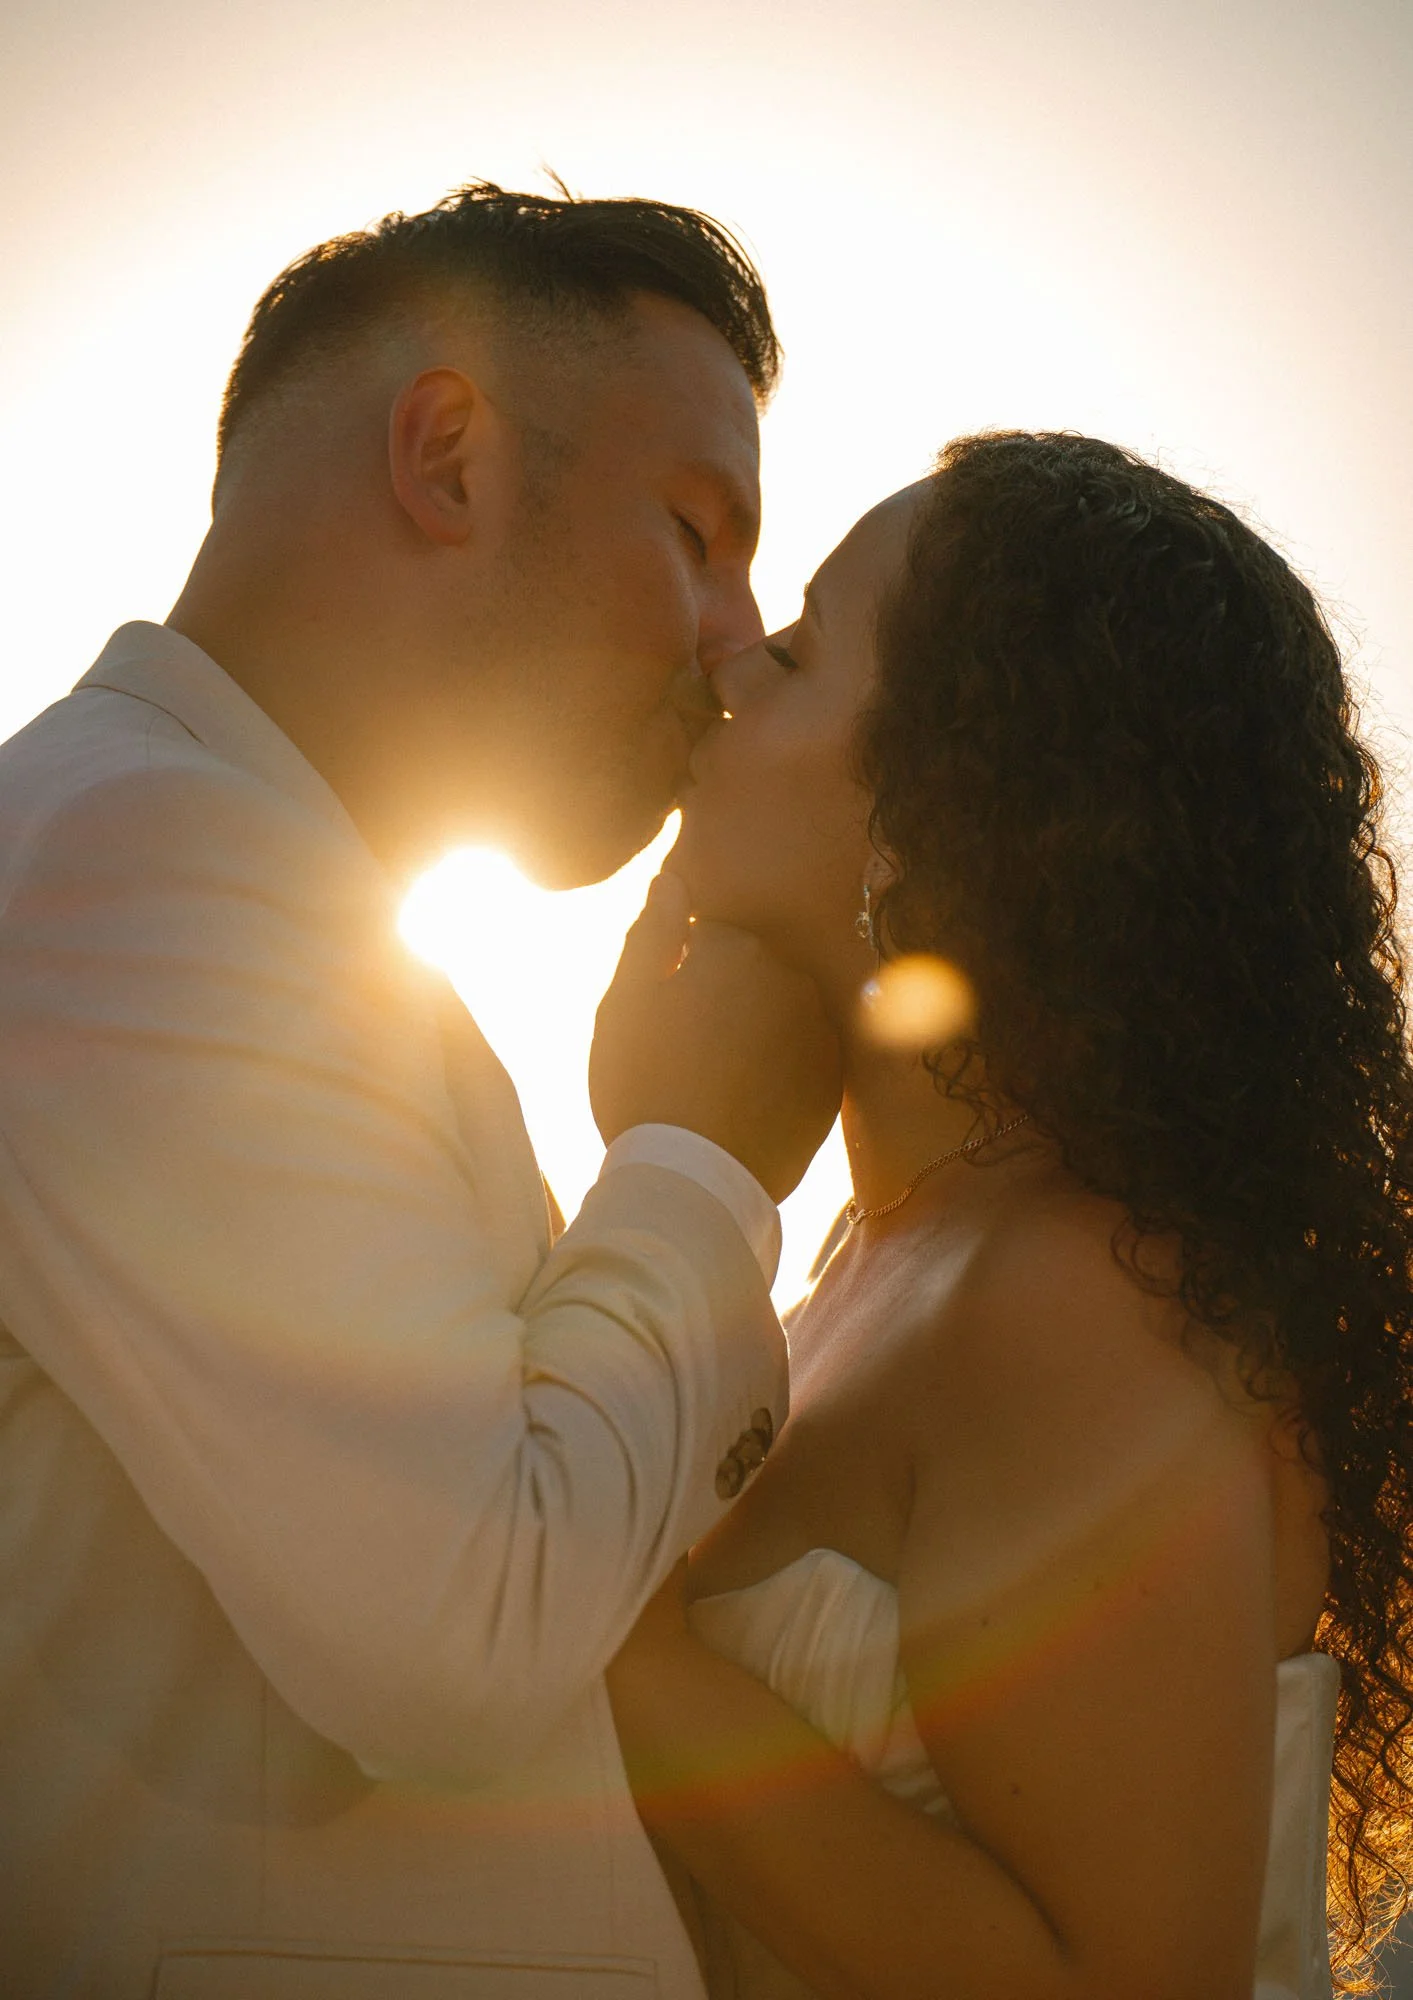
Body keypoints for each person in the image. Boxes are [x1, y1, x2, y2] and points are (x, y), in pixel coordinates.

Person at [0, 183, 841, 1998]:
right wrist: (699, 1159)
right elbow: (460, 1638)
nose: (729, 638)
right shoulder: (135, 859)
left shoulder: (273, 899)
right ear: (449, 454)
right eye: (699, 530)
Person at [605, 434, 1413, 1999]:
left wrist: (619, 1650)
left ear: (940, 795)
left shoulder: (1079, 1296)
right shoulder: (870, 1252)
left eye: (799, 651)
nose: (729, 669)